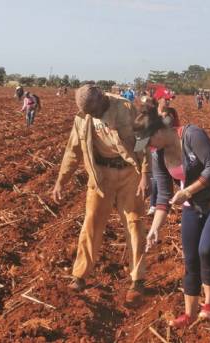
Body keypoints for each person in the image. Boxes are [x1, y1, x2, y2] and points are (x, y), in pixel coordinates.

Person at [133, 103, 210, 327]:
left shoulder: (192, 135)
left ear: (159, 132)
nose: (148, 147)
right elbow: (163, 196)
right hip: (192, 207)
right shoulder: (157, 155)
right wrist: (154, 229)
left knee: (206, 250)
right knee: (190, 260)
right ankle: (189, 314)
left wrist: (188, 191)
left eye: (149, 141)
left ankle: (209, 305)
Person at [52, 84, 150, 305]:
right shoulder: (82, 118)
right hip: (100, 175)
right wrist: (61, 181)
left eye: (95, 111)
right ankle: (79, 276)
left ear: (102, 97)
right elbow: (73, 151)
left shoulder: (125, 108)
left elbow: (143, 139)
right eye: (89, 113)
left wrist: (145, 173)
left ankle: (138, 280)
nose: (93, 116)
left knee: (134, 223)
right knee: (92, 223)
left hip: (129, 173)